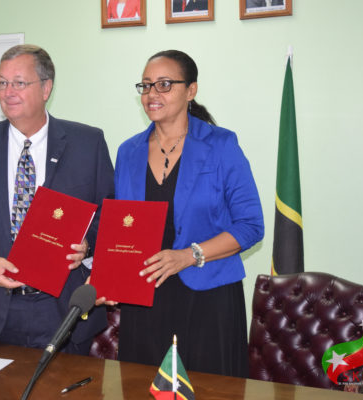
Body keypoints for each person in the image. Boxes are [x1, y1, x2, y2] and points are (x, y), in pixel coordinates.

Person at [0, 44, 114, 355]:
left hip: (64, 309)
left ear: (46, 88)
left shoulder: (87, 143)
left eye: (19, 82)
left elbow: (108, 215)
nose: (8, 92)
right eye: (2, 82)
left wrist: (88, 245)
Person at [110, 50, 264, 377]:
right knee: (141, 388)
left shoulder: (221, 145)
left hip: (208, 300)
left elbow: (251, 226)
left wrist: (188, 256)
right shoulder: (128, 151)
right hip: (144, 302)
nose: (152, 94)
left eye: (164, 84)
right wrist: (109, 273)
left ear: (190, 90)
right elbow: (121, 226)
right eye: (146, 85)